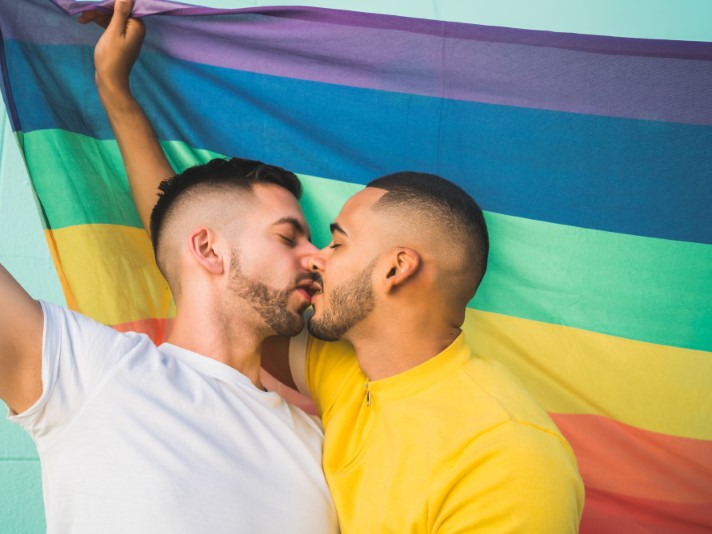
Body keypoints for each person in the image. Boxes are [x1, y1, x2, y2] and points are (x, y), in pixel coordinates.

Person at [91, 0, 585, 531]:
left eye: (337, 243)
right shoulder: (350, 370)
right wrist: (117, 96)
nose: (315, 258)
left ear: (395, 269)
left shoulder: (506, 457)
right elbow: (200, 261)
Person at [0, 1, 337, 532]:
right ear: (207, 251)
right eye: (289, 236)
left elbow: (180, 226)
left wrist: (116, 93)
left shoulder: (321, 437)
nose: (317, 256)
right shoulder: (93, 375)